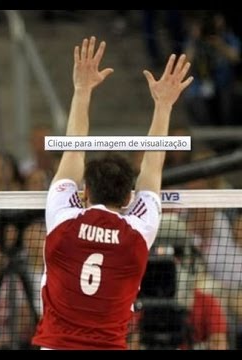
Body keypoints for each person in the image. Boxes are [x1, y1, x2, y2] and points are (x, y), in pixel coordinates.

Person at [31, 36, 193, 350]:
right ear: (129, 199)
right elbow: (152, 171)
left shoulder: (63, 219)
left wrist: (81, 90)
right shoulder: (137, 231)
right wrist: (163, 105)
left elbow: (74, 152)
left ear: (85, 191)